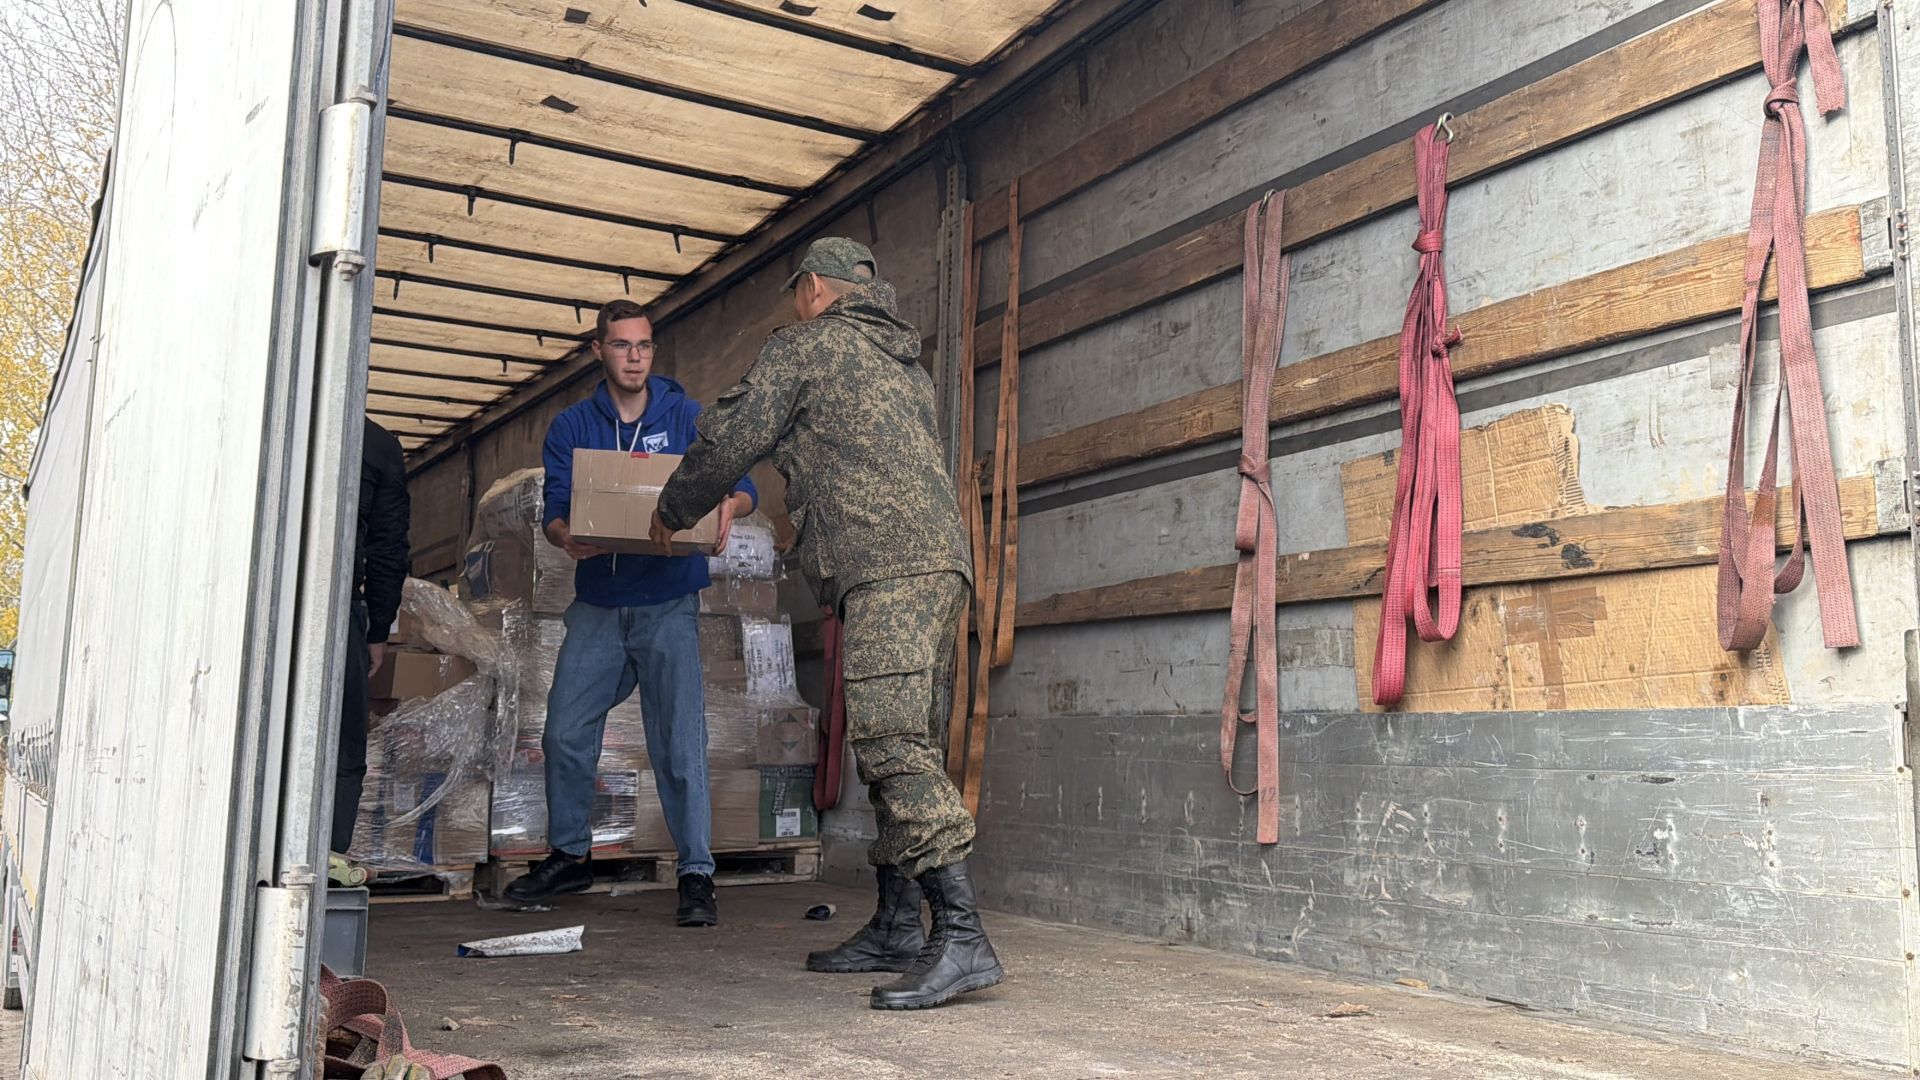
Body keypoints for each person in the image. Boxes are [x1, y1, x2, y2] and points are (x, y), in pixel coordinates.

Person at [650, 238, 1002, 1010]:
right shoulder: (903, 363)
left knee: (890, 742)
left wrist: (672, 509)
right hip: (938, 567)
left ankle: (963, 936)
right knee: (903, 742)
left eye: (797, 293)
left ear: (812, 287)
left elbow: (731, 436)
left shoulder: (805, 348)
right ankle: (898, 924)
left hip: (887, 568)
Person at [504, 299, 757, 928]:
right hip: (598, 603)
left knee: (679, 742)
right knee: (563, 731)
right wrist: (566, 537)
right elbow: (556, 510)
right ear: (599, 350)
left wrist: (729, 509)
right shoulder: (572, 426)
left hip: (668, 601)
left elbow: (742, 482)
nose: (635, 357)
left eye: (643, 345)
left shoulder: (687, 416)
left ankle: (696, 873)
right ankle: (571, 854)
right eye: (622, 345)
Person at [337, 417, 410, 867]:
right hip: (337, 608)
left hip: (253, 597)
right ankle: (325, 859)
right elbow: (388, 545)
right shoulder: (377, 444)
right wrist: (377, 630)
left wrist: (377, 626)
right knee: (343, 748)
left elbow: (387, 545)